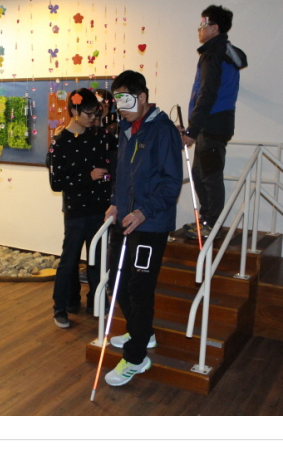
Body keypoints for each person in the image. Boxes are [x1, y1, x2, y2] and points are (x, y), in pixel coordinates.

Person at [103, 70, 183, 387]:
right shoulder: (127, 129)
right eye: (117, 101)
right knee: (116, 283)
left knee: (140, 289)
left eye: (126, 101)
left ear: (143, 97)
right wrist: (115, 203)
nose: (120, 108)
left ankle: (136, 358)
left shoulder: (163, 131)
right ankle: (142, 332)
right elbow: (123, 175)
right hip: (125, 220)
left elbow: (171, 183)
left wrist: (143, 211)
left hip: (150, 226)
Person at [181, 5, 248, 240]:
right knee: (201, 175)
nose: (199, 29)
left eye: (203, 24)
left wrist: (192, 129)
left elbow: (207, 93)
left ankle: (212, 225)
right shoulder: (221, 52)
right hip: (212, 125)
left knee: (209, 177)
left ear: (215, 28)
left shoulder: (214, 54)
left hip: (212, 125)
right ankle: (207, 221)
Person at [46, 88, 111, 327]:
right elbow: (56, 183)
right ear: (74, 111)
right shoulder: (60, 141)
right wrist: (88, 177)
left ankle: (97, 301)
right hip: (75, 211)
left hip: (99, 209)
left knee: (97, 261)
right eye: (88, 113)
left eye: (95, 113)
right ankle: (60, 307)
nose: (92, 118)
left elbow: (108, 168)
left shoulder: (98, 137)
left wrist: (104, 182)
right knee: (69, 261)